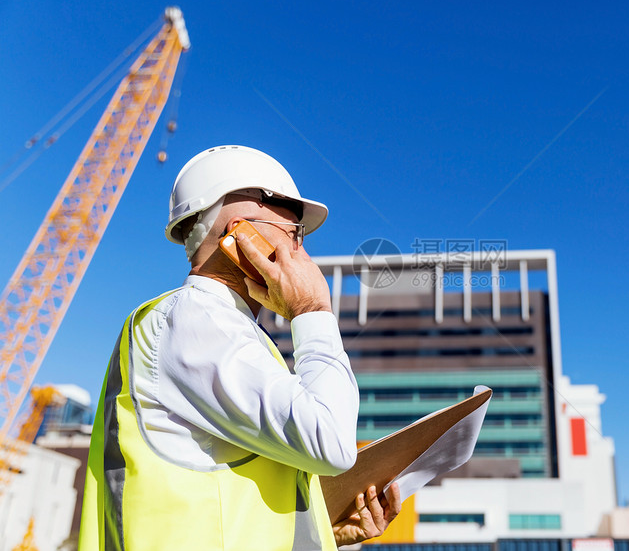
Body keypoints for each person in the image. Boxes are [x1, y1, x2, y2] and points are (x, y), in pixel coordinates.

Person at [79, 145, 400, 550]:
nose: (301, 252)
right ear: (237, 231)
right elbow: (332, 444)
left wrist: (326, 528)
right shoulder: (194, 318)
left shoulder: (231, 332)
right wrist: (312, 309)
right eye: (293, 233)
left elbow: (227, 504)